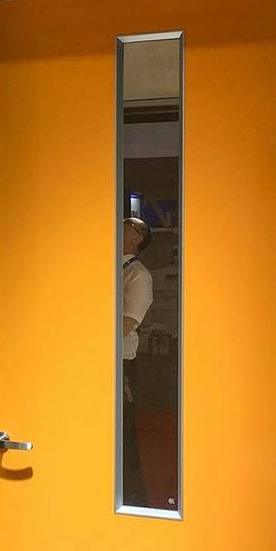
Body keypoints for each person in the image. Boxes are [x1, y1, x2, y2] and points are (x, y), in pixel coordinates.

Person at [122, 216, 153, 506]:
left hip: (120, 365)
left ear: (137, 239)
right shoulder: (108, 269)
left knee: (124, 437)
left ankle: (133, 499)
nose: (120, 226)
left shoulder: (138, 275)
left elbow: (128, 322)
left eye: (128, 225)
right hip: (96, 361)